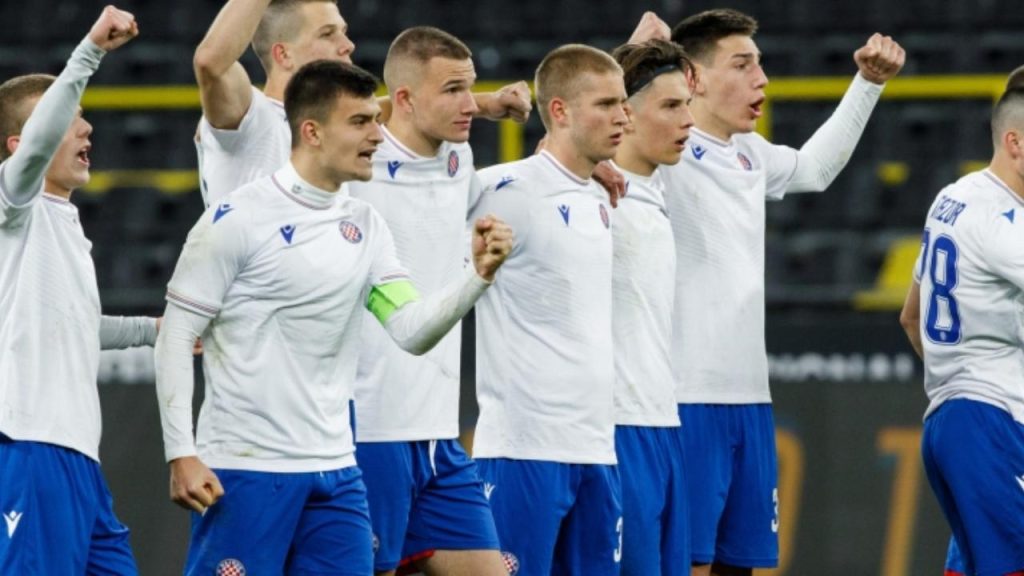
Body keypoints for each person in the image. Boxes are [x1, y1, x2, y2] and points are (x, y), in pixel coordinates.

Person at [154, 60, 512, 575]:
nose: (377, 136)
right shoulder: (237, 220)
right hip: (246, 466)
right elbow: (176, 337)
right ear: (312, 132)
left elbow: (411, 331)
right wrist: (181, 453)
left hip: (338, 472)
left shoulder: (366, 225)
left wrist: (477, 277)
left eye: (376, 120)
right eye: (360, 122)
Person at [629, 9, 905, 576]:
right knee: (687, 565)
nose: (762, 79)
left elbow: (815, 170)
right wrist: (626, 65)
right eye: (742, 65)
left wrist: (867, 83)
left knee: (741, 566)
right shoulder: (662, 155)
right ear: (694, 77)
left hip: (750, 401)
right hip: (686, 399)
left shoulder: (748, 152)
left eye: (760, 64)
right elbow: (600, 133)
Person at [344, 26, 505, 576]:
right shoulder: (355, 164)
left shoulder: (459, 154)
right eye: (454, 90)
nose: (470, 105)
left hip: (438, 432)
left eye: (471, 88)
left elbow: (497, 190)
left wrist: (586, 163)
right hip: (372, 429)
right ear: (404, 100)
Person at [469, 43, 627, 575]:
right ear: (558, 111)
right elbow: (418, 209)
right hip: (522, 451)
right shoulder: (503, 189)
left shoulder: (600, 195)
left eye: (623, 102)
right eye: (605, 104)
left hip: (597, 450)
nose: (622, 116)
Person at [0, 6, 147, 573]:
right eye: (70, 119)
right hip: (30, 446)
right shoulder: (15, 206)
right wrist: (89, 53)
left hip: (79, 457)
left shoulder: (63, 222)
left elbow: (77, 324)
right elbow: (38, 144)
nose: (85, 129)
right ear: (22, 146)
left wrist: (157, 331)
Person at [194, 0, 532, 206]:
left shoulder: (338, 122)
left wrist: (485, 104)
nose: (348, 44)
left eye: (343, 31)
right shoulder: (253, 118)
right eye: (328, 34)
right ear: (283, 54)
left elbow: (390, 107)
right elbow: (210, 63)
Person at [900, 74, 1024, 576]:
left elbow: (911, 316)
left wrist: (955, 379)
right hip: (992, 423)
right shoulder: (1003, 223)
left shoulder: (952, 198)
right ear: (1016, 143)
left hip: (954, 423)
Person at [606, 39, 695, 575]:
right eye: (670, 106)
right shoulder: (590, 200)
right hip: (615, 429)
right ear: (625, 114)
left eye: (688, 104)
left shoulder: (656, 193)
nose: (688, 120)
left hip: (663, 425)